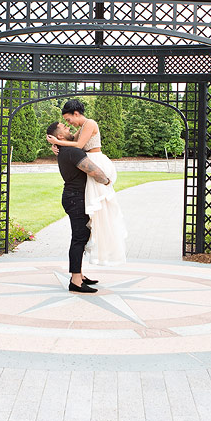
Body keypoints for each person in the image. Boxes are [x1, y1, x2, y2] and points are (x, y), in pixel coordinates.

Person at [46, 99, 128, 267]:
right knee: (94, 213)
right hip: (89, 161)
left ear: (76, 114)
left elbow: (78, 145)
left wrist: (57, 142)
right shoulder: (81, 128)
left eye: (69, 120)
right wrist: (57, 148)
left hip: (97, 160)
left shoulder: (89, 123)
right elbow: (72, 145)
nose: (69, 124)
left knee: (100, 207)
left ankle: (98, 251)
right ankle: (84, 264)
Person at [46, 121, 109, 292]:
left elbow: (83, 129)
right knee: (79, 238)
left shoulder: (64, 148)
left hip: (73, 198)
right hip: (76, 199)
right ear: (59, 136)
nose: (69, 128)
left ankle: (79, 275)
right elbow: (94, 171)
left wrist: (54, 142)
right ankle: (75, 280)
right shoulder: (72, 151)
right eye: (65, 127)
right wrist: (107, 180)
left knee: (81, 236)